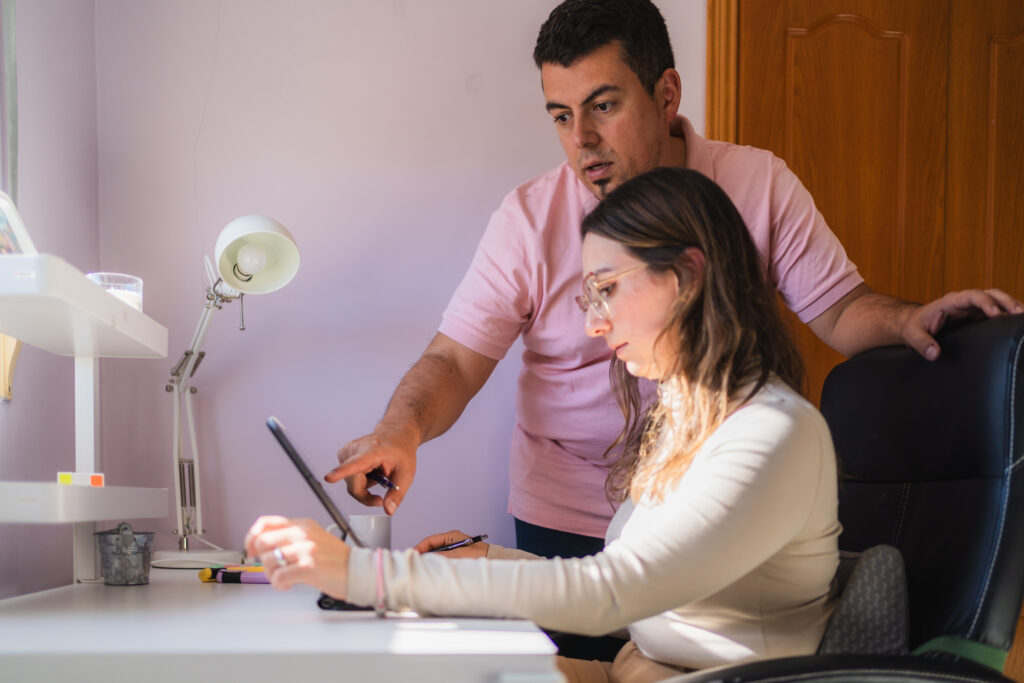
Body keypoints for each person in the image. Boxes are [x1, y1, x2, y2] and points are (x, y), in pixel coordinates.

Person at [326, 0, 1022, 558]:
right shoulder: (528, 218)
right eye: (562, 117)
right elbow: (454, 358)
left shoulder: (758, 183)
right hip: (567, 507)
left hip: (708, 500)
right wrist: (400, 431)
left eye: (603, 106)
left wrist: (904, 318)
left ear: (666, 94)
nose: (582, 143)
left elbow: (839, 309)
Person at [248, 167, 843, 681]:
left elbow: (611, 593)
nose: (595, 324)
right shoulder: (690, 427)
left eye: (607, 289)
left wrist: (362, 573)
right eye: (591, 297)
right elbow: (630, 590)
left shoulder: (773, 434)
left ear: (687, 276)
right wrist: (489, 560)